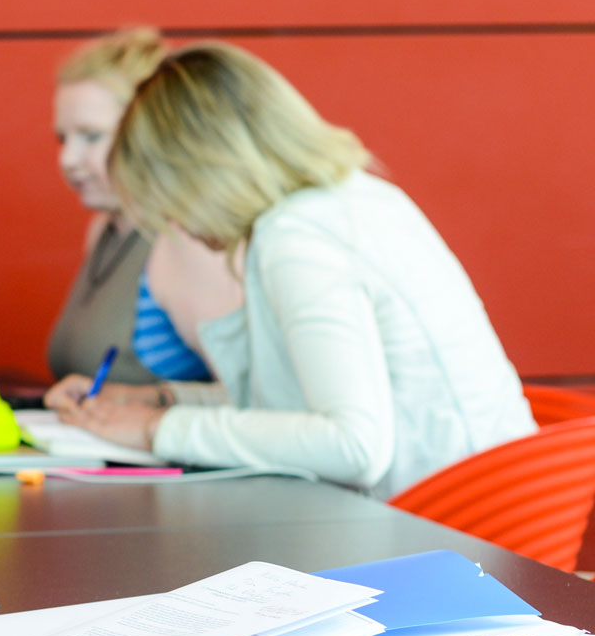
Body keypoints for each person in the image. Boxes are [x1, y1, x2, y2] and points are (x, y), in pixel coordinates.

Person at [45, 42, 534, 498]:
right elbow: (289, 407)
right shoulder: (350, 201)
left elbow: (353, 445)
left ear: (202, 168)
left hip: (457, 527)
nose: (174, 223)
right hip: (484, 505)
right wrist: (158, 402)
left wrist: (155, 431)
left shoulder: (298, 239)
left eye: (166, 197)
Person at [46, 28, 242, 386]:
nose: (68, 159)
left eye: (91, 136)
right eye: (63, 138)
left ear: (147, 130)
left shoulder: (187, 240)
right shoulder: (103, 230)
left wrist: (147, 412)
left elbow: (244, 397)